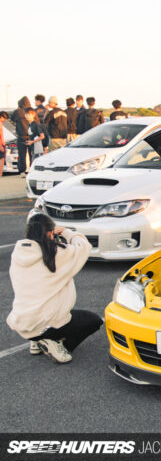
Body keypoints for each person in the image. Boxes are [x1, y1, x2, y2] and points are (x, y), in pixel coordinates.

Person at [6, 214, 101, 363]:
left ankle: (36, 341)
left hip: (23, 321)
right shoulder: (55, 253)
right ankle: (54, 342)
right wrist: (65, 232)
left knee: (46, 313)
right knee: (93, 321)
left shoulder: (18, 252)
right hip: (46, 321)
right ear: (50, 232)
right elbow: (83, 246)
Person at [13, 96, 32, 175]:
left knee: (22, 155)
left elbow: (12, 118)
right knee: (32, 154)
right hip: (31, 136)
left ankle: (22, 171)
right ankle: (32, 170)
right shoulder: (32, 111)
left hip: (21, 136)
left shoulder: (18, 111)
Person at [0, 111, 7, 177]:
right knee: (2, 159)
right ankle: (0, 173)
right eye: (4, 118)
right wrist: (1, 145)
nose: (4, 120)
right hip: (1, 144)